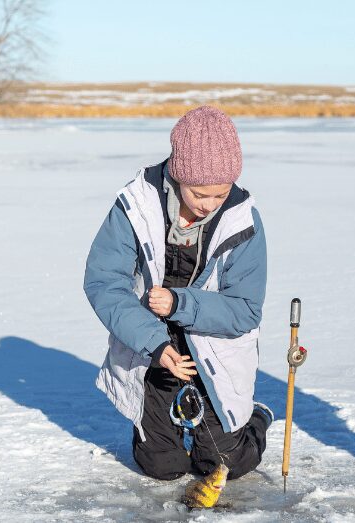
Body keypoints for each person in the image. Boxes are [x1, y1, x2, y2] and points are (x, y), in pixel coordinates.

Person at [83, 105, 273, 482]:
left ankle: (256, 417)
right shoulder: (135, 205)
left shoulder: (244, 221)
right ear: (177, 174)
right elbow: (104, 282)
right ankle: (156, 423)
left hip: (215, 345)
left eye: (220, 195)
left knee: (222, 464)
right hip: (151, 345)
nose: (208, 205)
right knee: (161, 467)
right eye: (199, 193)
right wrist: (154, 343)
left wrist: (180, 303)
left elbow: (246, 310)